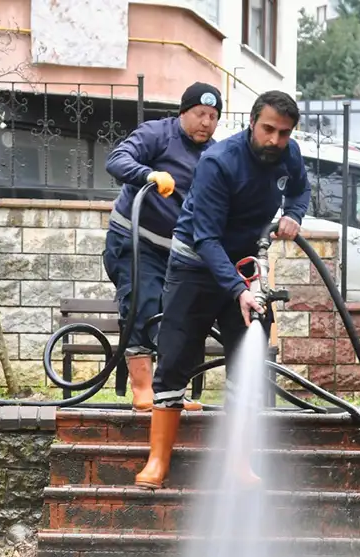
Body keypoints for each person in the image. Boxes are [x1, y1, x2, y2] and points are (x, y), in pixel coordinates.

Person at [134, 90, 311, 490]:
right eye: (268, 129)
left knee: (248, 360)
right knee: (177, 356)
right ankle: (158, 460)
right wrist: (237, 290)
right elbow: (207, 238)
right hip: (195, 265)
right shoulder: (219, 162)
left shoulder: (289, 154)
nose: (274, 140)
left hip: (245, 265)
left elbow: (300, 190)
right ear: (252, 123)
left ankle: (237, 463)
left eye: (283, 133)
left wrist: (294, 215)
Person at [103, 82, 223, 412]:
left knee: (177, 317)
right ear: (184, 112)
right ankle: (143, 390)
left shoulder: (214, 155)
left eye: (213, 117)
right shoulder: (157, 134)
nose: (206, 122)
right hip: (133, 242)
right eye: (200, 114)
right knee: (143, 304)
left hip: (177, 252)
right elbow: (117, 160)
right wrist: (149, 174)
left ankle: (171, 392)